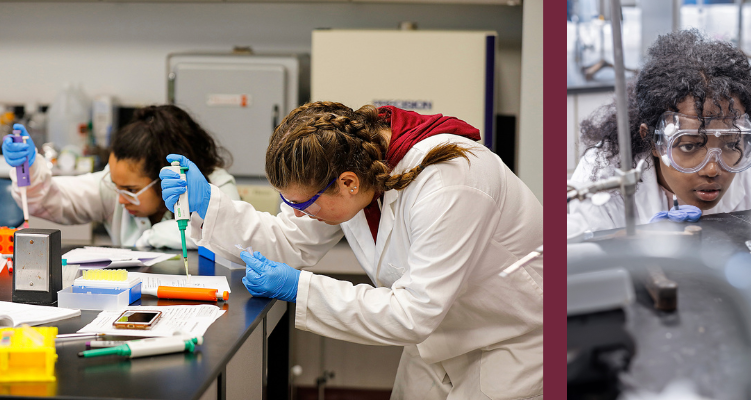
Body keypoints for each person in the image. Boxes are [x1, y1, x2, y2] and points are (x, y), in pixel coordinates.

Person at [160, 102, 543, 399]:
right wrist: (207, 204)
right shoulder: (356, 165)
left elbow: (413, 312)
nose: (298, 214)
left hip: (507, 346)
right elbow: (289, 240)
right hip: (438, 342)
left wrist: (301, 288)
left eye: (303, 204)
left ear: (347, 183)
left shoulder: (450, 184)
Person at [569, 29, 751, 232]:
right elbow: (582, 263)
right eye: (689, 145)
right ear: (651, 139)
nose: (712, 170)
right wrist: (636, 246)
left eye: (729, 144)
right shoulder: (603, 173)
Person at [1, 105, 240, 248]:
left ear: (167, 176)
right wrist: (30, 169)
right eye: (117, 186)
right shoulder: (113, 186)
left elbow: (234, 234)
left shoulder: (215, 184)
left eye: (132, 190)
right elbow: (47, 201)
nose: (121, 198)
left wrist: (151, 236)